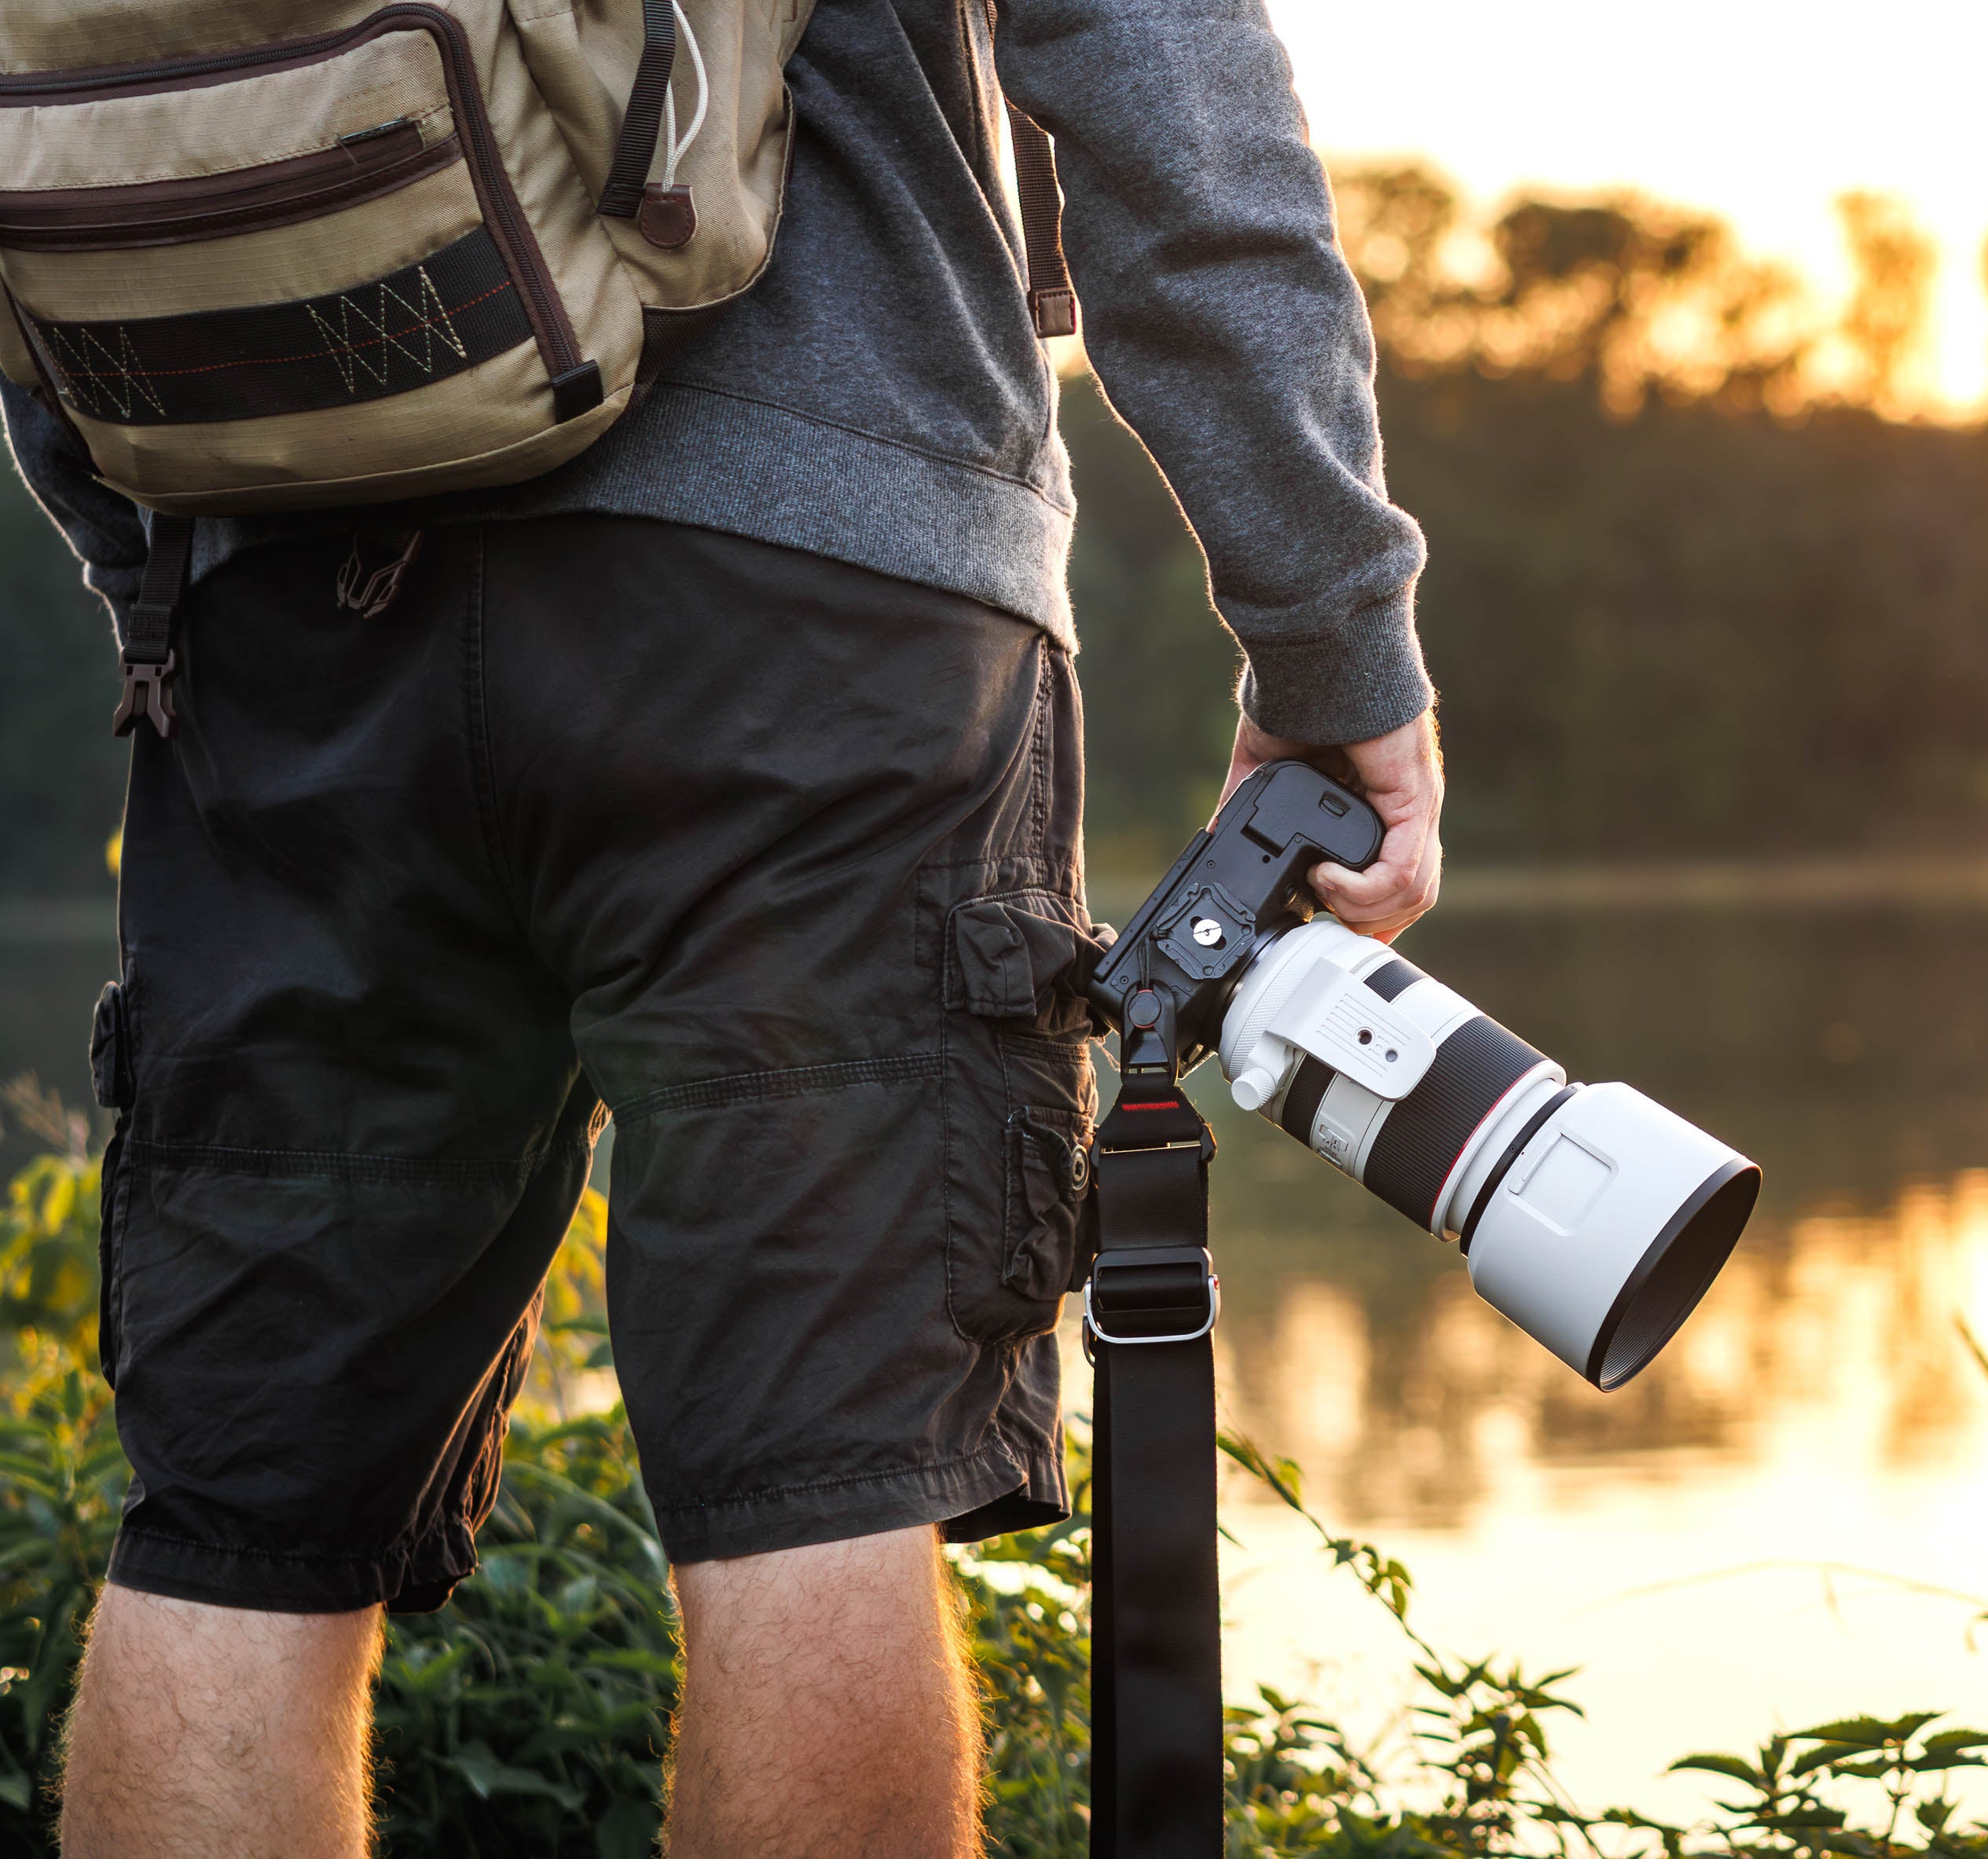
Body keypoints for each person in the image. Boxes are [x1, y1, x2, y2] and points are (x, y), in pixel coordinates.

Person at [0, 2, 1441, 1853]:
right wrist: (1335, 642)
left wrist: (162, 571)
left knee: (238, 1520)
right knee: (821, 1472)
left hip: (284, 609)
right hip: (816, 599)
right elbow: (1170, 93)